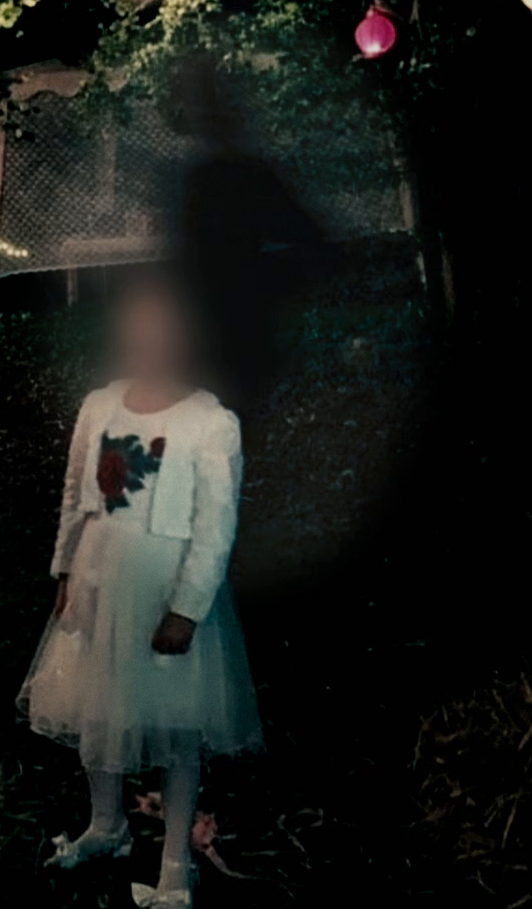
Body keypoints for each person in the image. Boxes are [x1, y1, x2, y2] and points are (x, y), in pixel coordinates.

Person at [17, 271, 263, 908]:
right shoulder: (100, 405)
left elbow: (215, 527)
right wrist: (65, 570)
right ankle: (107, 823)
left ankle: (176, 860)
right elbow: (75, 495)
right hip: (100, 583)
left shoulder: (210, 422)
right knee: (98, 702)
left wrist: (188, 609)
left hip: (161, 593)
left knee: (174, 724)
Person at [166, 59, 325, 412]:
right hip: (235, 314)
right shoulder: (228, 176)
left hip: (224, 315)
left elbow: (189, 254)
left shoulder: (209, 178)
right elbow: (305, 233)